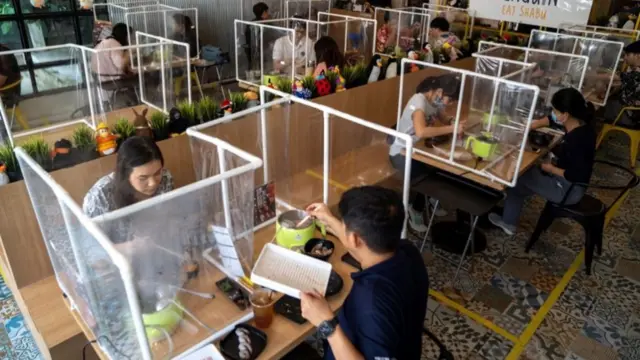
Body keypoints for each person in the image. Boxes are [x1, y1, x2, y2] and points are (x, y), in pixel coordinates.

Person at [300, 186, 429, 360]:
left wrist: (327, 325)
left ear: (354, 238)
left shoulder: (371, 301)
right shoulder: (408, 251)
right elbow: (361, 244)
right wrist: (330, 220)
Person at [489, 88, 597, 235]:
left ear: (565, 115)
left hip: (567, 190)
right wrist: (531, 126)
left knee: (518, 176)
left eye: (555, 110)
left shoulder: (576, 140)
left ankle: (506, 219)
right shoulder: (581, 124)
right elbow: (551, 119)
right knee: (518, 185)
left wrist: (549, 168)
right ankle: (509, 219)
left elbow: (575, 174)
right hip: (569, 183)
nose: (553, 113)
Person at [389, 75, 464, 231]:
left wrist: (451, 122)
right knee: (423, 178)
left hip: (416, 149)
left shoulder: (434, 101)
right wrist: (452, 129)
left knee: (436, 170)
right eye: (449, 100)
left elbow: (442, 117)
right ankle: (412, 209)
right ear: (439, 91)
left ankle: (428, 199)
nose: (449, 104)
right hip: (400, 152)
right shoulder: (419, 102)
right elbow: (421, 131)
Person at [83, 136, 174, 218]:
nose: (153, 183)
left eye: (157, 173)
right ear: (125, 174)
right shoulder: (99, 197)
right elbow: (92, 235)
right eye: (143, 178)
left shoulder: (165, 178)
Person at [601, 40, 640, 129]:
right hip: (634, 113)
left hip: (629, 116)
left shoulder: (635, 75)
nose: (625, 58)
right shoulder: (634, 73)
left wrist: (587, 74)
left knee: (599, 103)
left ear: (638, 55)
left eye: (628, 55)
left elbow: (614, 77)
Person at [245, 2, 270, 70]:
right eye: (267, 12)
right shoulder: (259, 25)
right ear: (264, 13)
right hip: (257, 51)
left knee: (253, 68)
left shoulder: (252, 22)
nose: (268, 14)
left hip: (252, 51)